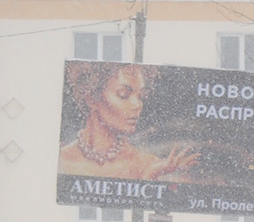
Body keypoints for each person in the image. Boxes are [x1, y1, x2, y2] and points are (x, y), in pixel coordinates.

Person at [57, 62, 199, 180]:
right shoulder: (60, 159)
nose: (137, 105)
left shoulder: (148, 164)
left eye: (140, 96)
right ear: (92, 98)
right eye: (123, 95)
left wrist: (149, 176)